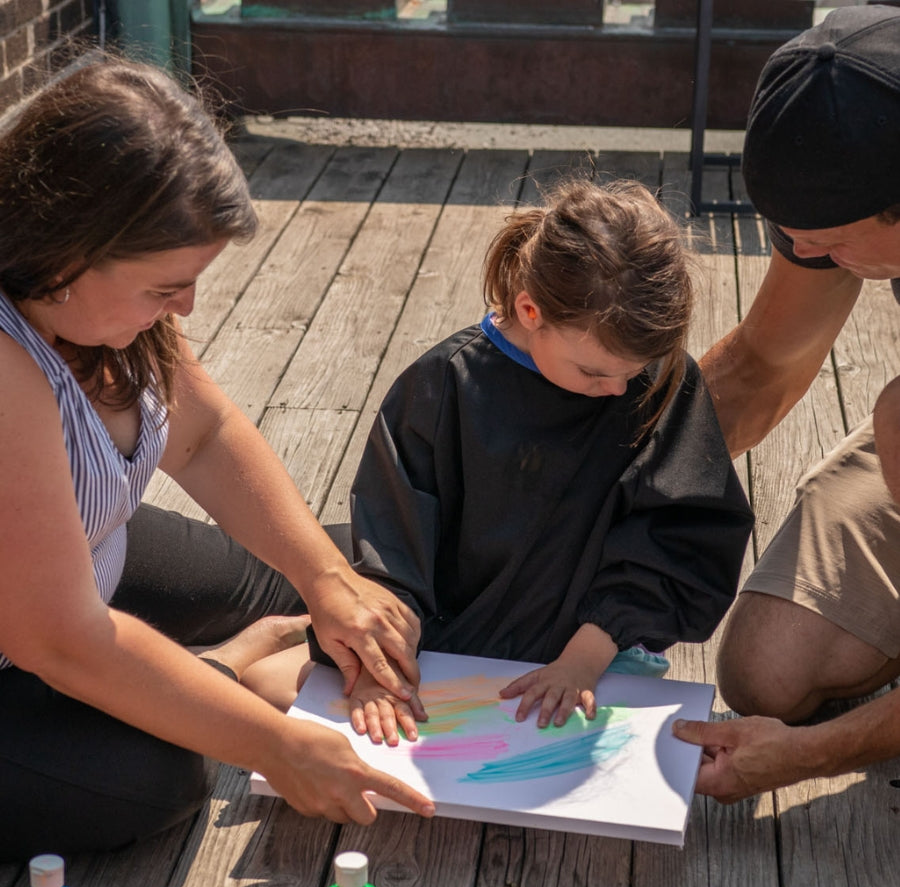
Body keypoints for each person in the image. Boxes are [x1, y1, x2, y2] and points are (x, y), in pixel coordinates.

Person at [0, 56, 436, 862]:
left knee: (342, 567)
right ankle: (226, 668)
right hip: (34, 636)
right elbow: (60, 641)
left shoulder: (108, 318)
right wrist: (275, 745)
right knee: (155, 780)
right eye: (166, 287)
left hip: (81, 560)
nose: (188, 307)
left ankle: (218, 667)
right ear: (67, 253)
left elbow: (201, 437)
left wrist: (327, 584)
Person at [260, 178, 753, 744]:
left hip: (596, 648)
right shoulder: (447, 382)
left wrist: (582, 662)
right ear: (530, 309)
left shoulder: (663, 376)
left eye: (633, 371)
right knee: (267, 691)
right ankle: (268, 637)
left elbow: (679, 538)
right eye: (594, 372)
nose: (619, 391)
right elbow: (395, 549)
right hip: (451, 639)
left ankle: (287, 630)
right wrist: (380, 670)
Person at [672, 4, 900, 803]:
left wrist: (810, 755)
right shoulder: (863, 137)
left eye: (829, 244)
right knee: (765, 671)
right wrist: (590, 488)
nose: (809, 259)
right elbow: (766, 363)